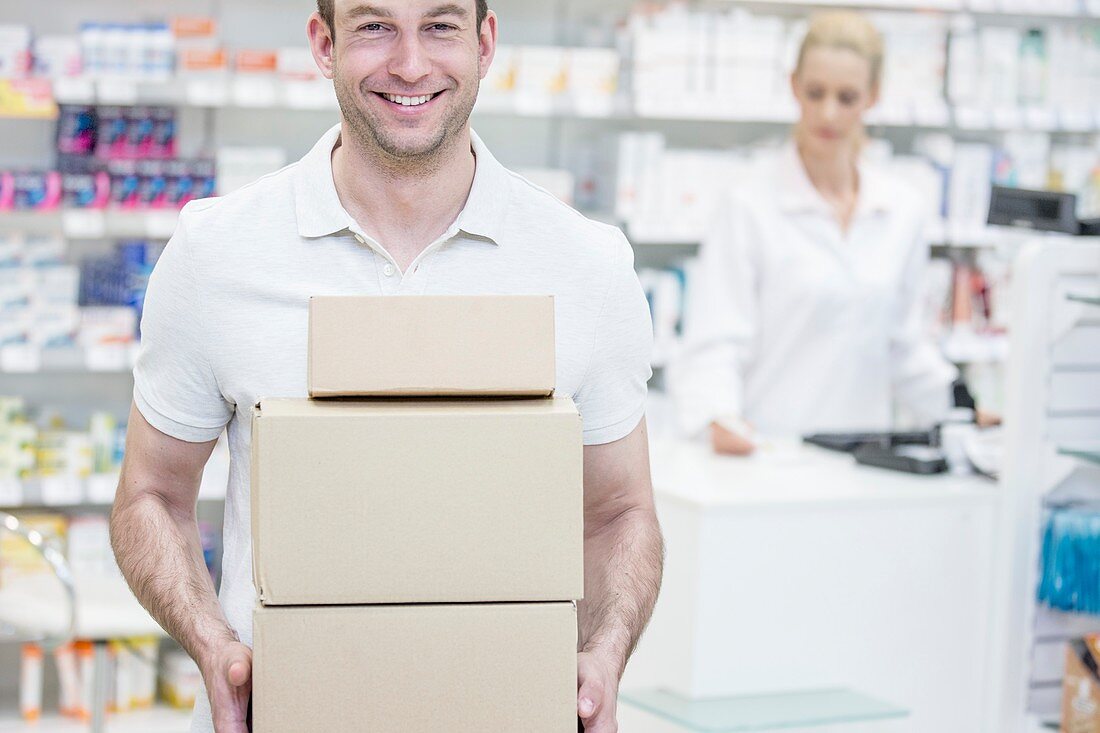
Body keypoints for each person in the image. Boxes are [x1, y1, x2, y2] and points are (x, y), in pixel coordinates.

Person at [108, 2, 664, 732]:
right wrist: (214, 648)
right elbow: (149, 495)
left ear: (485, 42)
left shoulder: (585, 266)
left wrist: (603, 649)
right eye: (374, 26)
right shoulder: (217, 254)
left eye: (440, 26)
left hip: (504, 710)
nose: (409, 64)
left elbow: (622, 513)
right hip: (293, 711)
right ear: (323, 43)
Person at [669, 11, 960, 456]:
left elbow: (903, 345)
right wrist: (717, 417)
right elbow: (715, 341)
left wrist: (962, 409)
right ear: (793, 86)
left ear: (873, 97)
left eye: (847, 97)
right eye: (815, 92)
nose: (828, 112)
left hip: (867, 462)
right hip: (771, 455)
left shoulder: (902, 211)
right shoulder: (748, 204)